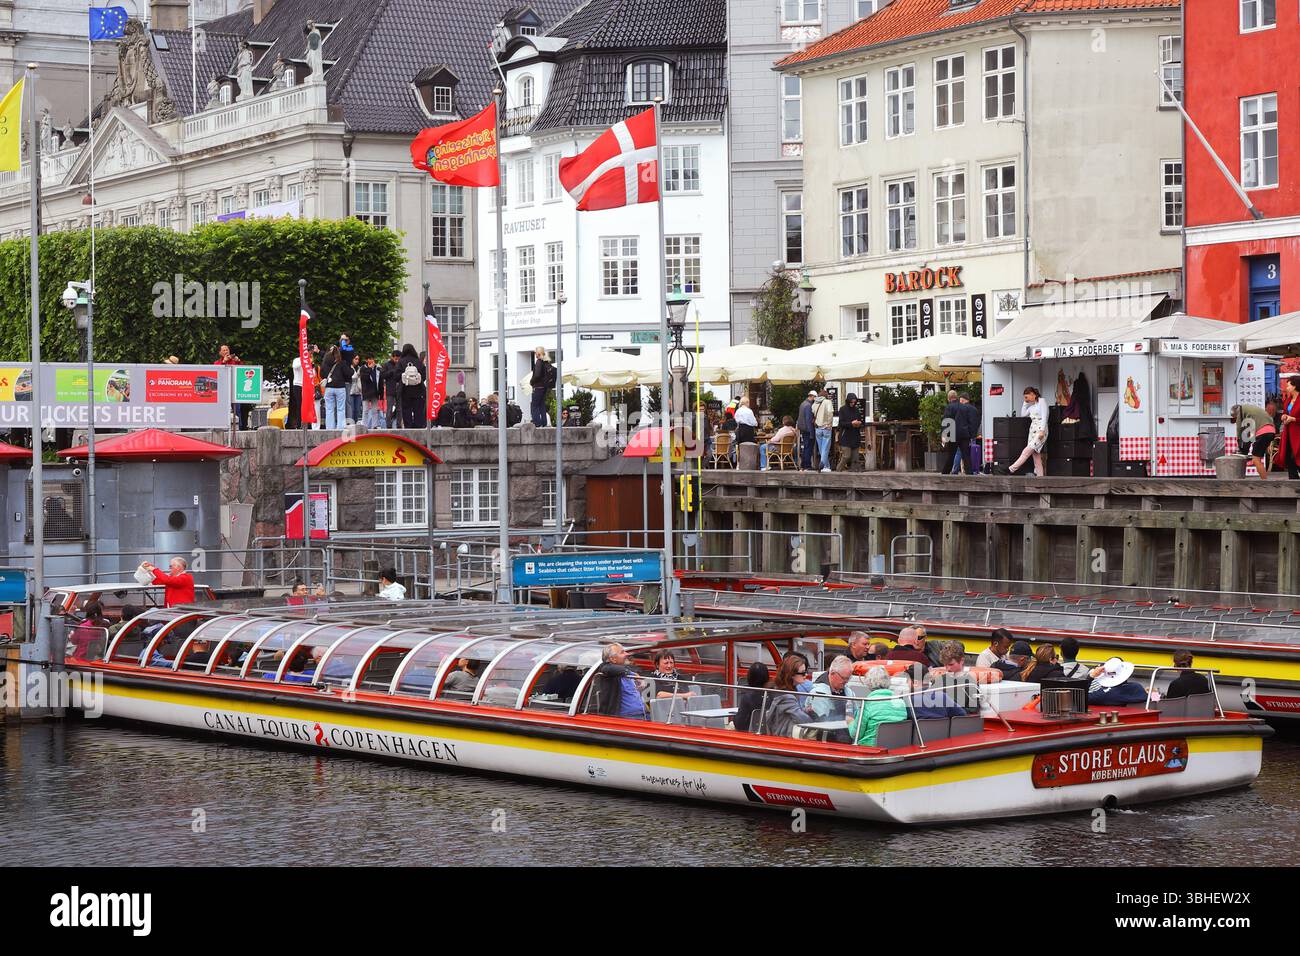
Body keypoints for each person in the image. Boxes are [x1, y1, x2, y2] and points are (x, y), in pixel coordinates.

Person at [754, 657, 815, 737]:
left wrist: (805, 711)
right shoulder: (786, 696)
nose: (806, 675)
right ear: (792, 674)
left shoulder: (785, 690)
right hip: (783, 737)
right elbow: (803, 719)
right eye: (803, 673)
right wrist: (816, 723)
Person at [849, 666, 907, 747]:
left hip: (870, 749)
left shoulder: (867, 704)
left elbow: (855, 734)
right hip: (895, 747)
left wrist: (850, 722)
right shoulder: (901, 703)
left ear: (868, 683)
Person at [588, 643, 648, 719]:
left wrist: (635, 675)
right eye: (622, 652)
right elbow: (606, 668)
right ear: (613, 659)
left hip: (643, 714)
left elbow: (635, 670)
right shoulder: (607, 669)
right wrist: (632, 674)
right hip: (625, 717)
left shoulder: (626, 668)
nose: (626, 654)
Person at [1005, 386, 1049, 476]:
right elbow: (1023, 414)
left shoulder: (1042, 401)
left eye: (1026, 397)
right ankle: (1040, 477)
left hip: (1040, 430)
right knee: (1036, 456)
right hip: (1032, 431)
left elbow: (1045, 416)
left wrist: (1042, 430)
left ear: (1033, 394)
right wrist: (1025, 403)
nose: (1026, 399)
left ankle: (1011, 469)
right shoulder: (1031, 407)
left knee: (1026, 451)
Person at [1231, 401, 1276, 479]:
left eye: (1235, 419)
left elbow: (1240, 433)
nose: (1235, 420)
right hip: (1271, 431)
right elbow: (1250, 436)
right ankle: (1265, 480)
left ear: (1236, 414)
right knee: (1257, 458)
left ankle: (1265, 482)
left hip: (1263, 433)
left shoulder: (1240, 412)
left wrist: (1241, 449)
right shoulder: (1251, 413)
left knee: (1256, 460)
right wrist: (1245, 449)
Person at [215, 344, 250, 430]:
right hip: (222, 391)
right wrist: (223, 362)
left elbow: (244, 372)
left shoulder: (234, 361)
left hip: (234, 390)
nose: (226, 351)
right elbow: (216, 372)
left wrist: (238, 361)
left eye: (227, 350)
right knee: (222, 409)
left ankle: (239, 428)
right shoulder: (217, 363)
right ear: (220, 353)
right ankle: (222, 427)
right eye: (224, 350)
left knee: (237, 410)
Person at [733, 661, 771, 734]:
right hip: (768, 733)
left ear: (749, 677)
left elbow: (739, 724)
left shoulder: (747, 698)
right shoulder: (772, 696)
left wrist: (734, 717)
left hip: (749, 734)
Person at [322, 345, 351, 429]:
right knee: (341, 409)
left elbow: (322, 374)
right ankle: (340, 428)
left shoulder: (325, 362)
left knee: (329, 409)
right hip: (340, 387)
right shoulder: (341, 362)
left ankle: (330, 428)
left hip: (329, 388)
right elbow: (348, 373)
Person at [397, 344, 427, 428]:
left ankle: (408, 428)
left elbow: (396, 376)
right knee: (418, 411)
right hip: (418, 391)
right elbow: (424, 376)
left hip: (405, 391)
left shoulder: (401, 361)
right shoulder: (418, 361)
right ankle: (418, 428)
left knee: (406, 411)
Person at [835, 394, 864, 471]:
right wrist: (851, 423)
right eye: (851, 402)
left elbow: (861, 421)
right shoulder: (842, 409)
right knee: (846, 456)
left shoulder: (857, 410)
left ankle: (853, 474)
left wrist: (859, 424)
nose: (853, 403)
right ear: (848, 401)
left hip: (855, 436)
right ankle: (838, 469)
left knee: (855, 459)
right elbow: (841, 423)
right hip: (845, 437)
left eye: (854, 402)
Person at [529, 346, 556, 427]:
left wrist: (531, 381)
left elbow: (537, 375)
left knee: (534, 405)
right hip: (544, 387)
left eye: (535, 353)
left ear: (537, 353)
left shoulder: (539, 362)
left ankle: (537, 423)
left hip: (538, 387)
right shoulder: (546, 362)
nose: (535, 354)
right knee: (541, 405)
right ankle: (544, 423)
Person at [1282, 376, 1300, 480]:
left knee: (1296, 456)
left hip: (1298, 433)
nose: (1286, 387)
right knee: (1289, 456)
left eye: (1288, 385)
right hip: (1288, 432)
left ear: (1295, 386)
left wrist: (1293, 419)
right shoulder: (1288, 399)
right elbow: (1285, 412)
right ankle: (1293, 484)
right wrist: (1284, 416)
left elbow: (1294, 416)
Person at [813, 389, 835, 473]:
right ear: (826, 395)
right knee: (825, 448)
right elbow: (830, 413)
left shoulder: (815, 403)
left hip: (817, 428)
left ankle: (826, 466)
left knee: (821, 448)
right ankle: (822, 464)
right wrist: (829, 424)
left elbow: (813, 412)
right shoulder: (827, 402)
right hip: (826, 427)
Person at [381, 350, 404, 428]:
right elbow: (383, 375)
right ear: (392, 357)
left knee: (399, 409)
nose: (397, 360)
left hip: (400, 389)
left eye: (398, 358)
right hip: (390, 389)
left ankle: (399, 424)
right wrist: (392, 372)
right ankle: (388, 425)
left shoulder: (401, 365)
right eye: (395, 358)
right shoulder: (387, 365)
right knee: (389, 408)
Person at [797, 390, 817, 470]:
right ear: (812, 396)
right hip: (808, 430)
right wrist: (812, 432)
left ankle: (803, 465)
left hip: (803, 429)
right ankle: (807, 465)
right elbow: (808, 420)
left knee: (805, 447)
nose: (815, 399)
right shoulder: (809, 405)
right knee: (808, 448)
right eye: (815, 397)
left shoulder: (802, 404)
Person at [359, 356, 382, 428]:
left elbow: (380, 381)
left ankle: (374, 425)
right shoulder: (363, 368)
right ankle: (364, 426)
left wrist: (381, 393)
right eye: (369, 359)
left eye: (372, 359)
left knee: (375, 410)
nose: (371, 361)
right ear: (366, 360)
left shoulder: (377, 368)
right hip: (366, 392)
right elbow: (364, 378)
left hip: (375, 392)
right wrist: (369, 368)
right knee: (365, 410)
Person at [347, 353, 364, 425]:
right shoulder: (349, 368)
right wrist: (357, 375)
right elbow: (350, 378)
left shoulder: (359, 368)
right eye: (355, 359)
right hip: (351, 392)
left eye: (358, 359)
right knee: (351, 410)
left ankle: (356, 424)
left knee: (357, 410)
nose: (357, 361)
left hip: (358, 392)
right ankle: (351, 424)